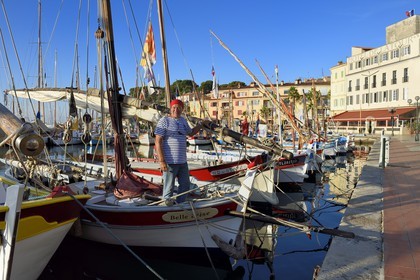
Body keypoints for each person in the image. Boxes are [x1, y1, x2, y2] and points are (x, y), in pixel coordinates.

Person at [154, 99, 202, 205]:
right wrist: (161, 161)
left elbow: (191, 133)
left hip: (182, 161)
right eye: (174, 107)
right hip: (169, 161)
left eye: (178, 108)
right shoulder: (164, 121)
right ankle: (166, 208)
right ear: (170, 109)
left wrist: (201, 125)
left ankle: (180, 204)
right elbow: (158, 141)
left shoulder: (183, 121)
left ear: (182, 109)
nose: (176, 110)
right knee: (169, 187)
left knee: (185, 185)